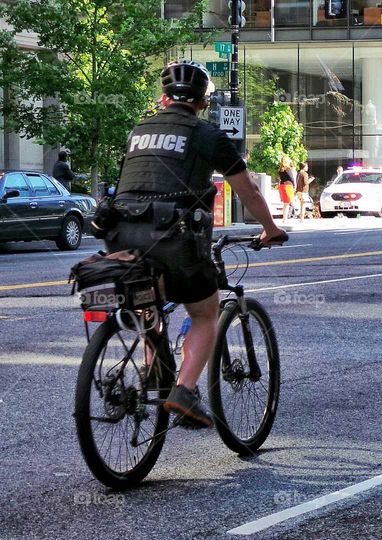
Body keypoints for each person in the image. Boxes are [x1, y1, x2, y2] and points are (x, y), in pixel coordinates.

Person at [104, 60, 286, 428]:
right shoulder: (207, 135)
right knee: (204, 312)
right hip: (173, 240)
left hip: (120, 236)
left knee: (147, 305)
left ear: (162, 97)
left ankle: (157, 376)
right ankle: (184, 391)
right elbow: (247, 189)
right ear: (204, 102)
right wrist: (270, 227)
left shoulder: (138, 130)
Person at [278, 157, 296, 223]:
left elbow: (282, 179)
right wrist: (294, 185)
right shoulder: (288, 169)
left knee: (285, 204)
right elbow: (291, 178)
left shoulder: (280, 170)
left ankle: (284, 218)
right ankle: (285, 219)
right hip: (288, 186)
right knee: (287, 203)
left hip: (282, 186)